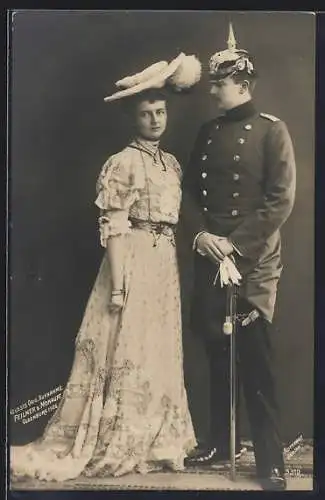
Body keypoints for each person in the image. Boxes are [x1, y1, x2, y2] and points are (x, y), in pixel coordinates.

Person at [10, 53, 202, 482]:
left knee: (156, 349)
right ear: (133, 119)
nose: (155, 120)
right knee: (125, 348)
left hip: (163, 263)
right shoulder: (124, 163)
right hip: (131, 259)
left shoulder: (168, 163)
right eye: (146, 114)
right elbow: (114, 226)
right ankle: (119, 439)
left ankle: (156, 441)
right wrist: (118, 285)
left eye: (160, 111)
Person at [182, 24, 296, 491]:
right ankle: (219, 442)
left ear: (242, 85)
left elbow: (280, 199)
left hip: (251, 260)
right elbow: (187, 191)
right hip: (211, 253)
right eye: (212, 82)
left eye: (219, 84)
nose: (211, 91)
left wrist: (237, 244)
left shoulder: (273, 131)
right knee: (215, 350)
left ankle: (270, 458)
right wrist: (202, 236)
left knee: (256, 360)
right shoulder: (208, 132)